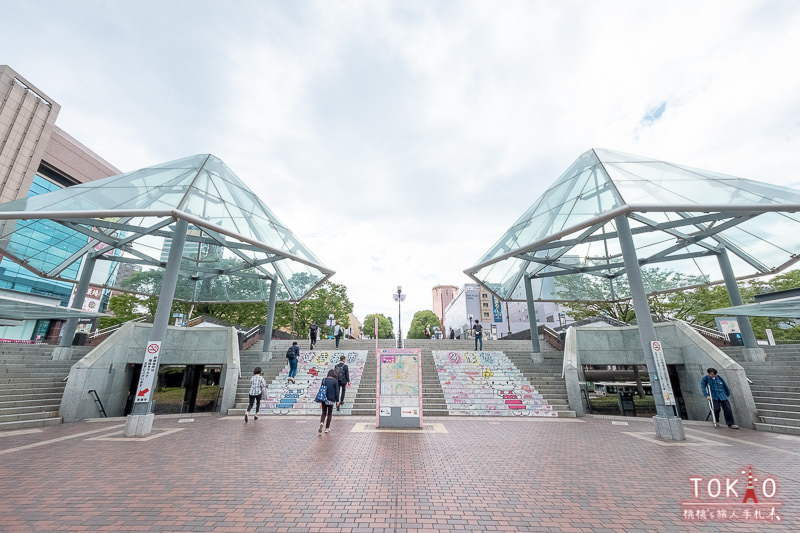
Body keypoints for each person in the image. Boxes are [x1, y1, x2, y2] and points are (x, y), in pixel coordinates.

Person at [318, 369, 340, 434]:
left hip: (324, 398)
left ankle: (322, 422)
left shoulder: (324, 380)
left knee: (324, 413)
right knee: (329, 413)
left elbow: (322, 388)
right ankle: (327, 428)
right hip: (331, 398)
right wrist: (337, 400)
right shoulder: (335, 381)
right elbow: (337, 391)